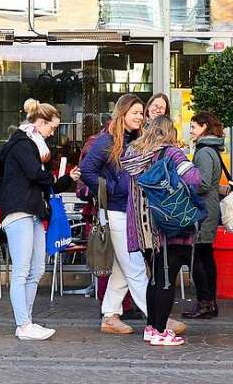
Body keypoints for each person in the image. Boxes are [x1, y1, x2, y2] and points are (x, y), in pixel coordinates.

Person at [0, 99, 78, 341]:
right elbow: (35, 174)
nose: (53, 132)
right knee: (22, 270)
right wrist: (51, 177)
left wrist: (64, 179)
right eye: (52, 127)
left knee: (37, 268)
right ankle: (23, 324)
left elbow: (42, 181)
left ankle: (26, 320)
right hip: (19, 210)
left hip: (32, 210)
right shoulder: (23, 143)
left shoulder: (32, 144)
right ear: (40, 123)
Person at [122, 115, 202, 347]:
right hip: (167, 224)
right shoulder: (171, 153)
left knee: (155, 278)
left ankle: (150, 327)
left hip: (140, 226)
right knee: (167, 278)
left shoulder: (133, 154)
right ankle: (159, 330)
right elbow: (195, 179)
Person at [80, 94, 150, 335]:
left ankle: (110, 316)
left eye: (141, 113)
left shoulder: (134, 139)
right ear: (122, 114)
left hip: (128, 210)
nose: (140, 117)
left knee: (123, 268)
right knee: (135, 266)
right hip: (115, 211)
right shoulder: (106, 141)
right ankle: (157, 318)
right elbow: (87, 170)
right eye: (135, 113)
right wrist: (109, 189)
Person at [182, 111, 225, 320]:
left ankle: (205, 302)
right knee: (205, 254)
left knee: (198, 256)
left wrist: (184, 185)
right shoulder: (211, 148)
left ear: (204, 127)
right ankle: (209, 302)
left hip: (203, 209)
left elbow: (204, 183)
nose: (191, 131)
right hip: (208, 207)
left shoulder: (204, 151)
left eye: (193, 127)